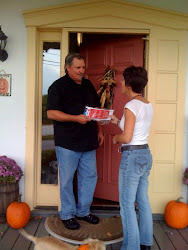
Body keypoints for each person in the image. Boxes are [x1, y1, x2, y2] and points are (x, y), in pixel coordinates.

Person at [46, 53, 104, 230]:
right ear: (67, 67)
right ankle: (68, 214)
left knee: (89, 177)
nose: (81, 71)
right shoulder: (57, 87)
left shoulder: (87, 84)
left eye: (83, 67)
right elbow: (51, 113)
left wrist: (99, 129)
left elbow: (95, 110)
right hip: (67, 142)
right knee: (67, 180)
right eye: (78, 68)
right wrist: (75, 118)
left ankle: (83, 211)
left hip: (88, 139)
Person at [111, 66, 153, 250]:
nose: (120, 82)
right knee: (142, 201)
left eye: (122, 80)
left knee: (127, 205)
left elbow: (127, 138)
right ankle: (145, 243)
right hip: (145, 154)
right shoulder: (146, 104)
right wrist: (116, 121)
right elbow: (136, 130)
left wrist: (115, 138)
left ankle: (131, 248)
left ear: (128, 84)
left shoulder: (130, 106)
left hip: (132, 158)